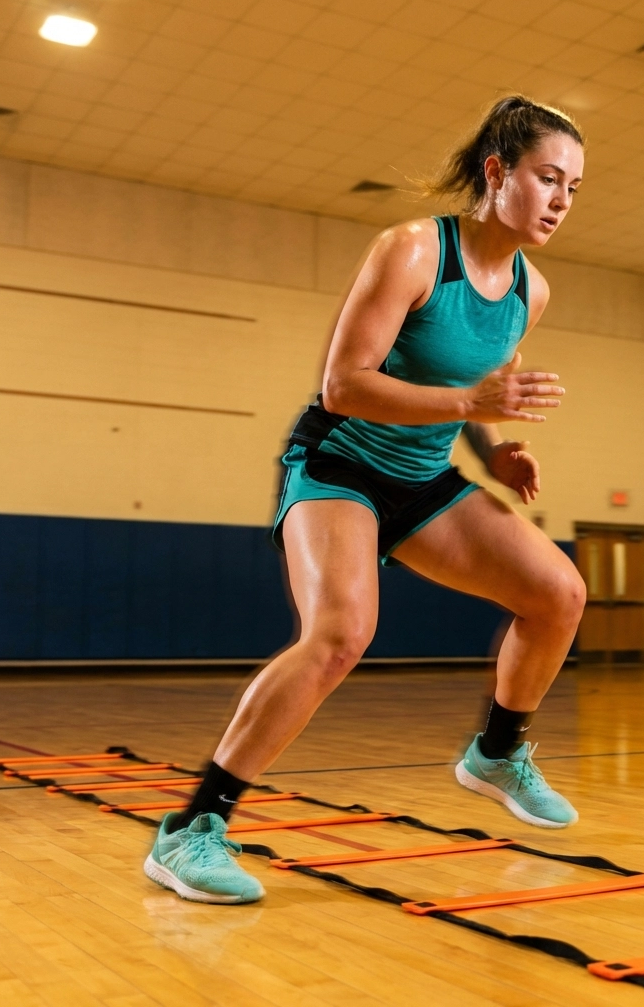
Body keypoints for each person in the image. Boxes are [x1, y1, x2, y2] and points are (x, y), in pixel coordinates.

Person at [145, 95, 587, 904]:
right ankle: (191, 831)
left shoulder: (532, 289)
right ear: (497, 173)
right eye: (548, 178)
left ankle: (496, 752)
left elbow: (473, 392)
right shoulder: (415, 250)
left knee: (559, 592)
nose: (561, 199)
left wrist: (497, 448)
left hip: (422, 478)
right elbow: (345, 386)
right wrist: (471, 410)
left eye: (574, 188)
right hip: (339, 465)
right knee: (341, 635)